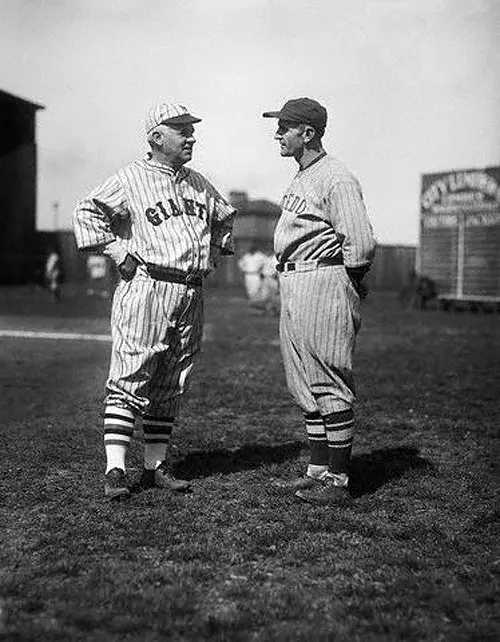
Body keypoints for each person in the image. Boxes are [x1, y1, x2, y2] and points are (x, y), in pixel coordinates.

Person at [73, 99, 236, 500]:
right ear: (156, 136)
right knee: (131, 373)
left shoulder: (199, 182)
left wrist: (213, 256)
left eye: (191, 128)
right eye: (182, 129)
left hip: (189, 291)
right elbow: (86, 212)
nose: (191, 135)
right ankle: (115, 470)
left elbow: (225, 217)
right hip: (147, 286)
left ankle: (155, 465)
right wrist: (117, 252)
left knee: (171, 380)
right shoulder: (131, 177)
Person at [262, 97, 375, 505]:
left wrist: (349, 282)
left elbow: (359, 242)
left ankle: (339, 481)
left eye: (284, 127)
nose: (277, 133)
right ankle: (317, 469)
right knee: (303, 380)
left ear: (307, 133)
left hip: (323, 277)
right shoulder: (302, 175)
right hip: (293, 280)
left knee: (328, 375)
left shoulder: (336, 177)